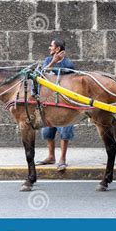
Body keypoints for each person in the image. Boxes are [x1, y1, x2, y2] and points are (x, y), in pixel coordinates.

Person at [35, 38, 75, 172]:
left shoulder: (68, 64)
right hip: (50, 101)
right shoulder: (47, 60)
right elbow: (42, 73)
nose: (49, 48)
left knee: (65, 130)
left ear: (57, 49)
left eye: (51, 46)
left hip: (64, 102)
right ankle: (51, 156)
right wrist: (53, 61)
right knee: (48, 130)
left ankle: (62, 159)